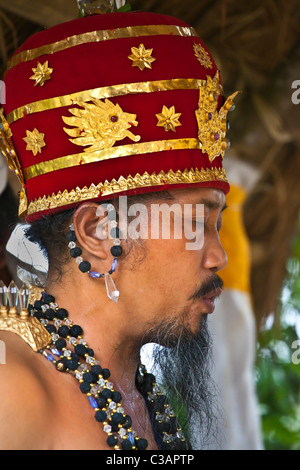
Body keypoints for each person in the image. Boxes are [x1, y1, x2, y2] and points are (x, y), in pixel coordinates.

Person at [0, 1, 239, 450]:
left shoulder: (141, 396)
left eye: (217, 225)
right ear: (97, 233)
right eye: (195, 223)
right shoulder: (11, 388)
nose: (218, 256)